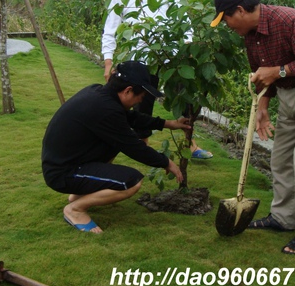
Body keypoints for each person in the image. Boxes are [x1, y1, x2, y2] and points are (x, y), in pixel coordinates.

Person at [210, 0, 295, 254]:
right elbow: (262, 74)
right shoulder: (249, 33)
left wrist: (279, 72)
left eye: (226, 19)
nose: (226, 25)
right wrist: (263, 106)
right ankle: (283, 218)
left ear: (240, 9)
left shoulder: (291, 20)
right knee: (280, 160)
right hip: (288, 96)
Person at [41, 60, 191, 234]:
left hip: (65, 163)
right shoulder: (106, 110)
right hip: (62, 173)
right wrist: (166, 162)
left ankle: (79, 194)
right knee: (131, 182)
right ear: (128, 91)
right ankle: (75, 210)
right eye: (140, 96)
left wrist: (168, 123)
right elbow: (134, 147)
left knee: (113, 144)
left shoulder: (99, 93)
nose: (139, 101)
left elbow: (132, 118)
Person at [101, 0, 213, 159]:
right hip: (142, 59)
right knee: (142, 103)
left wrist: (187, 44)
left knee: (183, 97)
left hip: (172, 55)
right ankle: (143, 147)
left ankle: (192, 145)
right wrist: (108, 63)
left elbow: (181, 17)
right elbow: (110, 31)